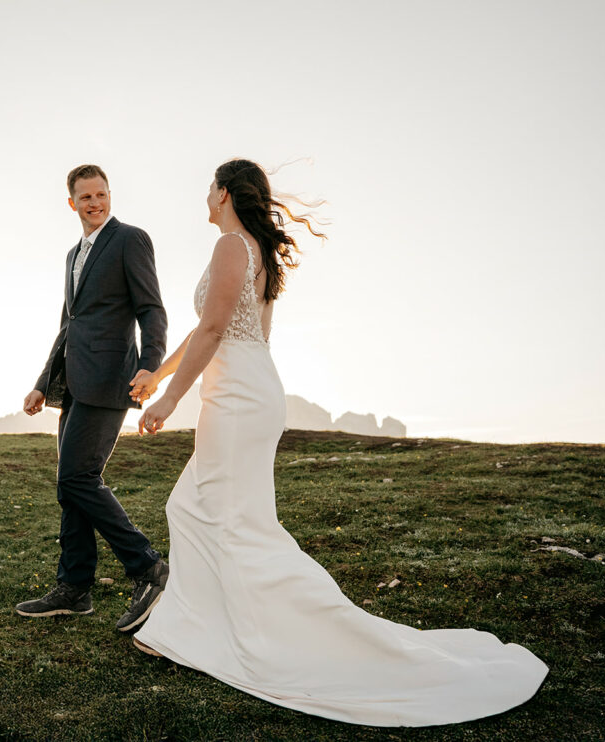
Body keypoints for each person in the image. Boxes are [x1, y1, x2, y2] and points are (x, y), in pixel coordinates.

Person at [127, 159, 549, 726]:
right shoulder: (259, 251)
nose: (205, 195)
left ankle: (211, 632)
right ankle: (191, 627)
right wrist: (160, 374)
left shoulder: (231, 245)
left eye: (209, 187)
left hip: (237, 399)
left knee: (222, 518)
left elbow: (213, 328)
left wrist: (171, 398)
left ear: (224, 193)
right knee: (207, 510)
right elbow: (217, 330)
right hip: (251, 389)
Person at [16, 164, 169, 632]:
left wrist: (151, 364)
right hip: (74, 384)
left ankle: (148, 567)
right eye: (85, 197)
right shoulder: (73, 255)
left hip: (111, 378)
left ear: (109, 195)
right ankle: (74, 588)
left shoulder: (130, 239)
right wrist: (43, 382)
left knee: (78, 477)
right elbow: (69, 324)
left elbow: (151, 308)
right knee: (69, 484)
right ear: (72, 203)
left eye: (101, 194)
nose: (95, 203)